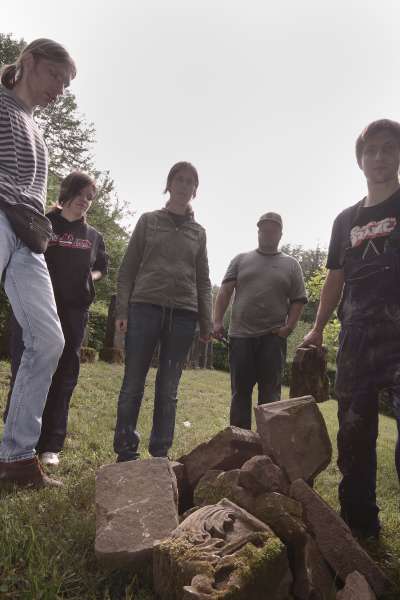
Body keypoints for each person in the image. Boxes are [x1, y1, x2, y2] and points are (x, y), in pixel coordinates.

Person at [303, 119, 400, 539]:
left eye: (388, 148)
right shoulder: (345, 220)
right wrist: (318, 328)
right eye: (371, 151)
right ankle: (360, 530)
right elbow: (334, 279)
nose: (379, 157)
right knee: (354, 437)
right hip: (357, 337)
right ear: (360, 161)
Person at [0, 39, 76, 488]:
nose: (60, 90)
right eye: (55, 77)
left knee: (49, 340)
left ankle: (15, 459)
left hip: (29, 238)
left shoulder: (37, 128)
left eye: (66, 85)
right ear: (28, 63)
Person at [5, 171, 108, 467]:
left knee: (64, 376)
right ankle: (19, 441)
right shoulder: (43, 224)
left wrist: (91, 277)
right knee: (26, 368)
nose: (85, 201)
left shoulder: (93, 236)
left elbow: (102, 267)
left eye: (90, 198)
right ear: (68, 192)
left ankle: (51, 445)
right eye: (82, 194)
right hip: (36, 308)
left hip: (75, 313)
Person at [114, 161, 212, 461]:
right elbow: (128, 269)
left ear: (195, 190)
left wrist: (206, 322)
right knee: (133, 382)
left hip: (183, 315)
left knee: (168, 388)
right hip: (144, 308)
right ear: (168, 184)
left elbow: (203, 280)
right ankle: (126, 451)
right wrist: (122, 311)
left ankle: (159, 453)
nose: (183, 185)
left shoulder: (199, 232)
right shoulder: (148, 221)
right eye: (178, 179)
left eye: (189, 182)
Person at [213, 212, 307, 429]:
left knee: (270, 396)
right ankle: (240, 444)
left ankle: (268, 447)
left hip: (273, 339)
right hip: (240, 337)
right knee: (240, 393)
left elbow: (298, 300)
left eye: (273, 229)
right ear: (258, 231)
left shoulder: (291, 265)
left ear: (280, 234)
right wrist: (217, 321)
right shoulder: (240, 259)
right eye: (264, 229)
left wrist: (289, 327)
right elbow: (225, 292)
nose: (268, 233)